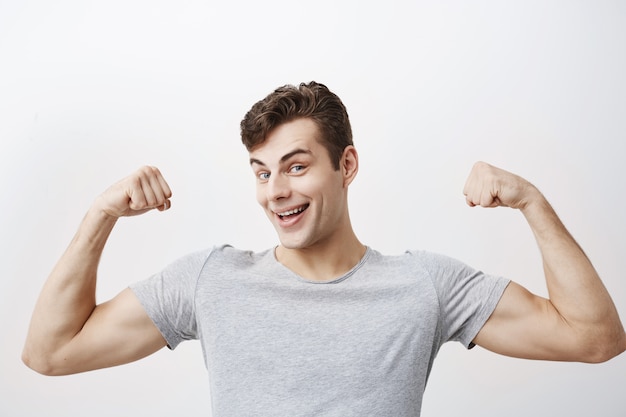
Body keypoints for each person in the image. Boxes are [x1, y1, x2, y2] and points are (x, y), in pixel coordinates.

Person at [23, 81, 626, 416]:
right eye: (261, 172)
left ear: (347, 165)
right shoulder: (210, 281)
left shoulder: (425, 287)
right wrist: (100, 216)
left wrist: (532, 203)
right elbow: (50, 352)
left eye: (296, 166)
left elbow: (594, 338)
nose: (276, 192)